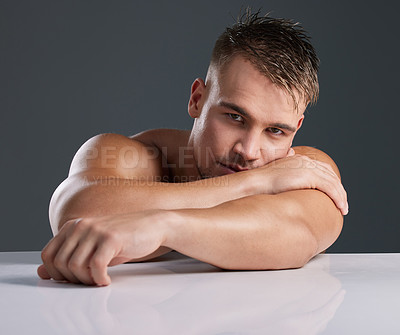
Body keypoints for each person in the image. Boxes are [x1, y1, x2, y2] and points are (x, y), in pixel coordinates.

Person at [37, 10, 348, 286]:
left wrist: (163, 225)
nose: (249, 150)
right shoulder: (131, 153)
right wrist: (255, 183)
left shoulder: (305, 167)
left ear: (296, 129)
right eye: (235, 117)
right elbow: (76, 212)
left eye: (276, 131)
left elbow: (296, 237)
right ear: (197, 99)